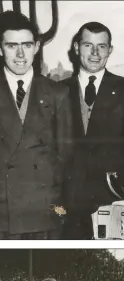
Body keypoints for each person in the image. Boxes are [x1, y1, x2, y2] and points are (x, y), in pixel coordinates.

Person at [0, 10, 72, 240]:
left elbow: (66, 156)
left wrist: (58, 206)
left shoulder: (58, 93)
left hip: (43, 211)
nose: (21, 54)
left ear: (37, 46)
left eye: (27, 45)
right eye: (11, 46)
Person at [63, 21, 124, 239]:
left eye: (102, 46)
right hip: (65, 206)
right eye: (88, 45)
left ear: (110, 50)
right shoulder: (56, 91)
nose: (95, 53)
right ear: (77, 47)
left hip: (112, 202)